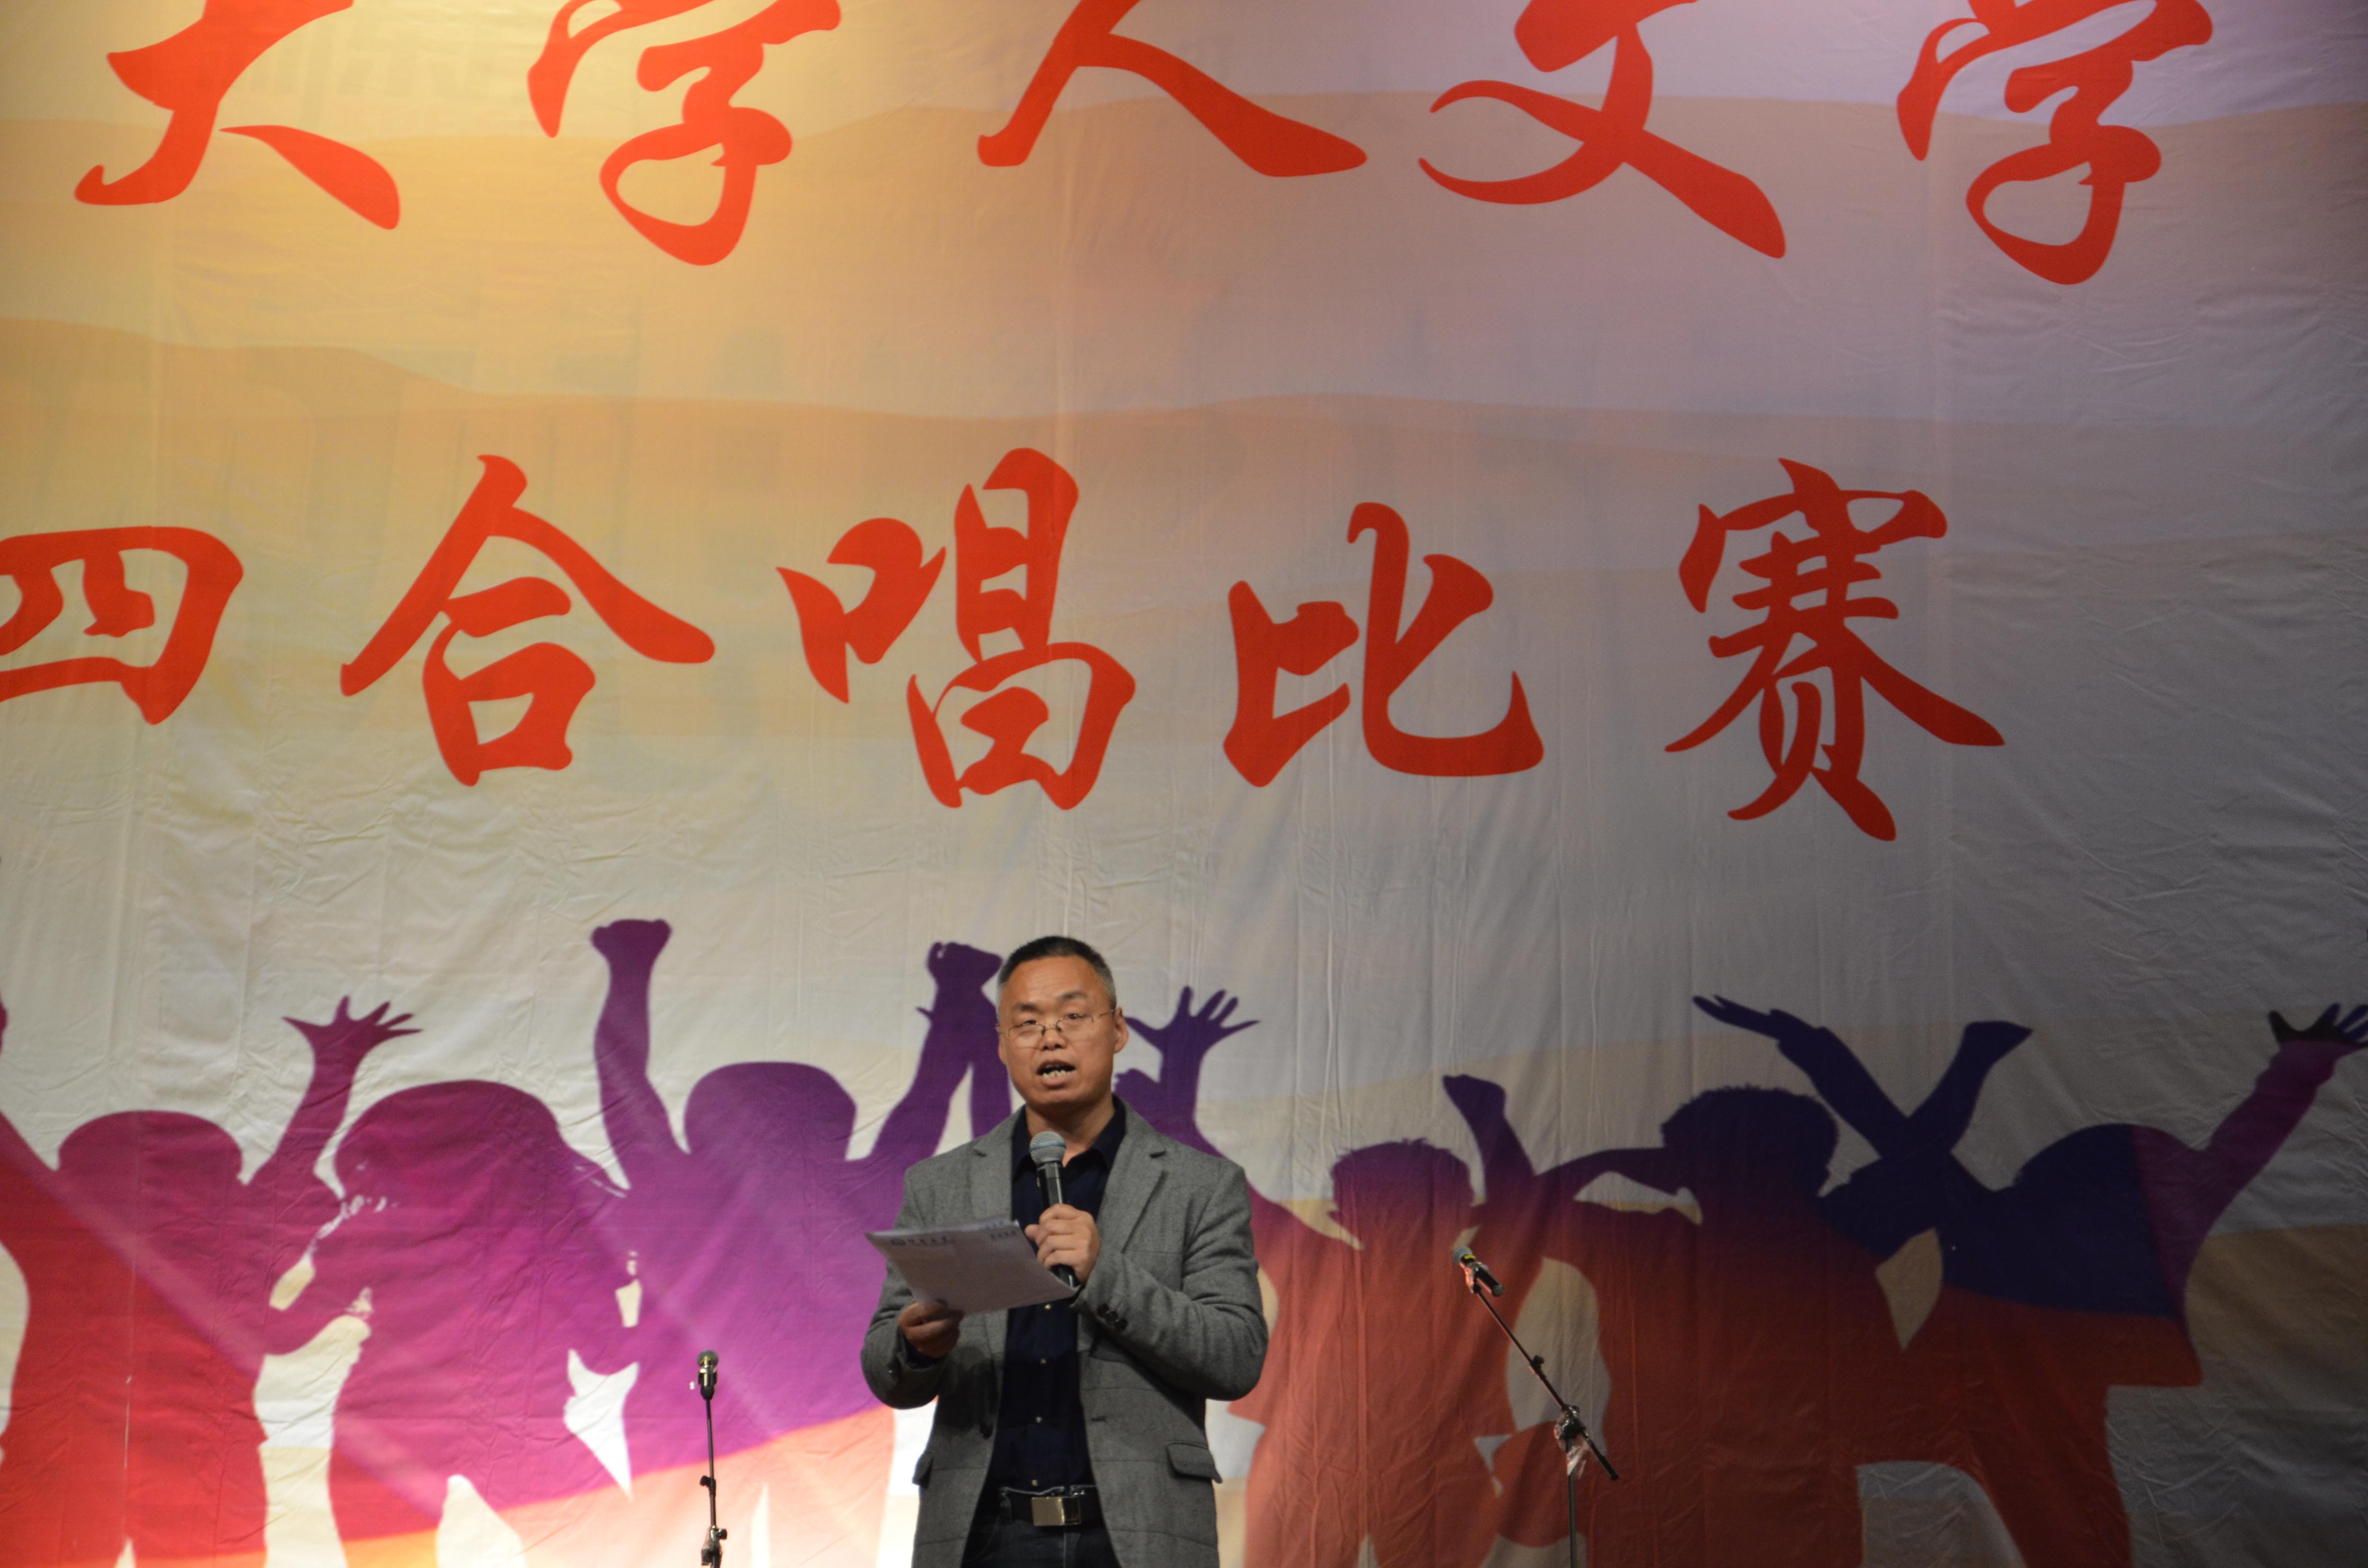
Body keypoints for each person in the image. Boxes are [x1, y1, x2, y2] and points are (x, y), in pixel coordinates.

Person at [861, 936, 1267, 1568]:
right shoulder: (940, 1186)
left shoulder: (1200, 1186)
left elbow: (1235, 1357)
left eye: (1073, 1016)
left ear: (1118, 1029)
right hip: (984, 1535)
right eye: (1027, 1024)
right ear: (1002, 1046)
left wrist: (1105, 1276)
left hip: (1135, 1536)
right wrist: (918, 1348)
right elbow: (885, 1367)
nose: (1050, 1038)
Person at [0, 991, 408, 1568]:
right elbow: (297, 1156)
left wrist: (336, 1066)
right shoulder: (234, 1236)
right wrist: (335, 1067)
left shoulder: (68, 1235)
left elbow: (8, 1159)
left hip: (91, 1451)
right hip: (181, 1455)